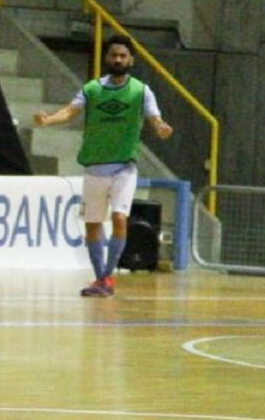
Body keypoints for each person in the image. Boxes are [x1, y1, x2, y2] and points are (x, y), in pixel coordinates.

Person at [33, 35, 173, 297]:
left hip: (124, 167)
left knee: (119, 217)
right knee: (93, 224)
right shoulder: (92, 89)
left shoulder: (141, 91)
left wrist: (161, 128)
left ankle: (107, 277)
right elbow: (70, 111)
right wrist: (49, 120)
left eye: (123, 55)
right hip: (95, 166)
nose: (118, 59)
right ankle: (100, 278)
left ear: (131, 59)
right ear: (106, 58)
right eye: (113, 55)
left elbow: (155, 118)